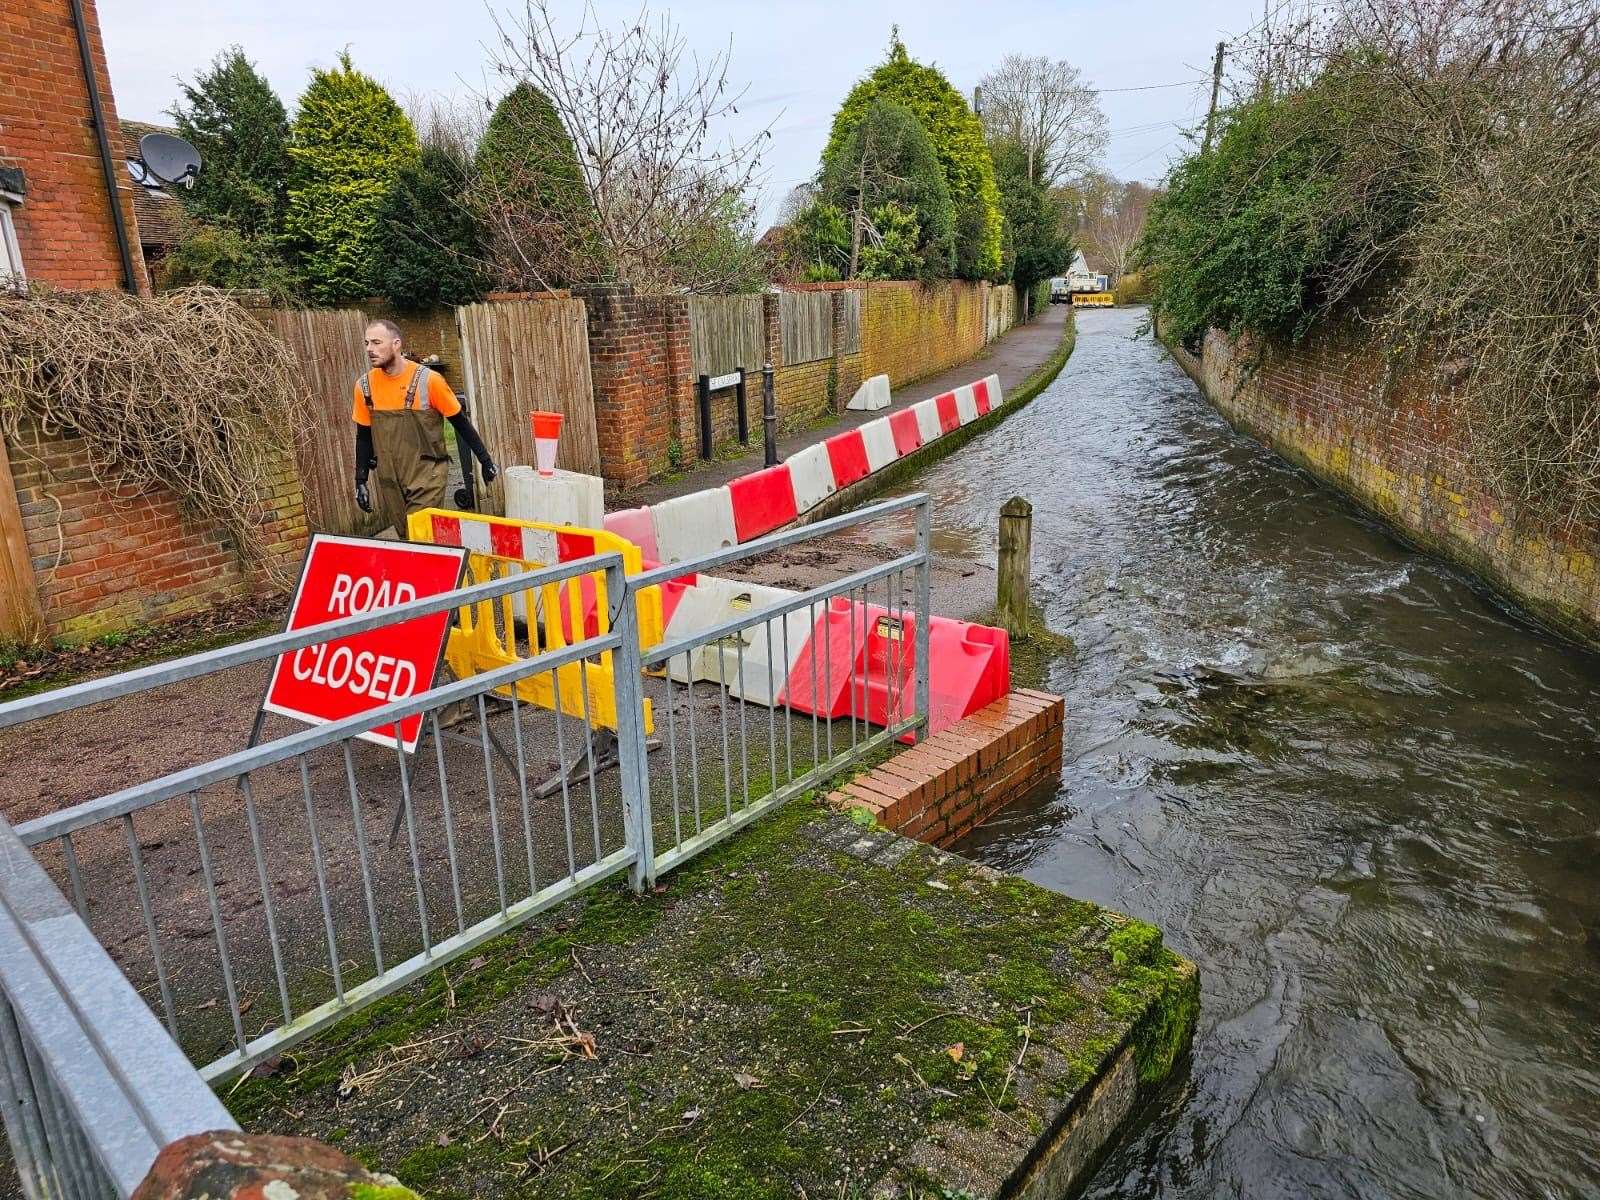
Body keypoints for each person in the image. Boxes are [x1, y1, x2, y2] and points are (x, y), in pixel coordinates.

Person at [352, 319, 497, 536]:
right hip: (390, 479)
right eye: (367, 343)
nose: (369, 349)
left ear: (396, 344)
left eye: (376, 342)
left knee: (422, 536)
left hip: (427, 475)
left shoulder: (429, 381)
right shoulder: (364, 386)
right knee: (406, 536)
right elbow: (363, 436)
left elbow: (460, 423)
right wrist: (360, 480)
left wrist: (485, 460)